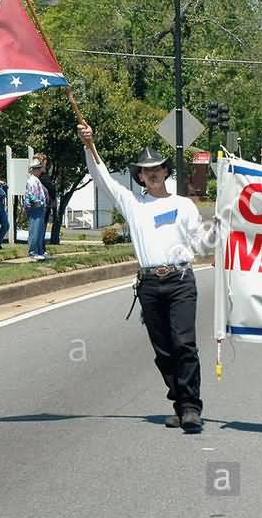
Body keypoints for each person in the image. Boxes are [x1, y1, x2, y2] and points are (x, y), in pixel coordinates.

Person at [78, 123, 212, 434]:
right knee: (163, 349)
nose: (152, 174)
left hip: (180, 281)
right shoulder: (133, 205)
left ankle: (191, 408)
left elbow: (200, 242)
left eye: (157, 169)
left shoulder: (183, 205)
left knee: (184, 344)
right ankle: (179, 403)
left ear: (166, 172)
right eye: (145, 171)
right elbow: (103, 178)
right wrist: (89, 144)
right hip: (150, 284)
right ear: (139, 177)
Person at [23, 158, 49, 261]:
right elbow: (32, 196)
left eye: (39, 168)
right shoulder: (32, 180)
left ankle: (39, 251)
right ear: (32, 170)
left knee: (39, 231)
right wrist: (41, 203)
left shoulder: (36, 179)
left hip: (39, 208)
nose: (39, 170)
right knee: (34, 231)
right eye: (37, 168)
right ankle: (33, 252)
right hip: (35, 208)